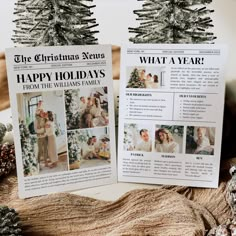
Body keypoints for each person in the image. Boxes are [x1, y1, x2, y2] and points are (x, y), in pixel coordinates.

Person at [34, 101, 48, 169]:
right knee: (40, 151)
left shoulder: (45, 119)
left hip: (45, 136)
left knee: (45, 150)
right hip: (39, 137)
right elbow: (36, 130)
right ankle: (38, 164)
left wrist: (44, 129)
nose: (42, 113)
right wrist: (43, 128)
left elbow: (47, 127)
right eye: (40, 112)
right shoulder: (36, 120)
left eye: (43, 112)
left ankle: (46, 163)